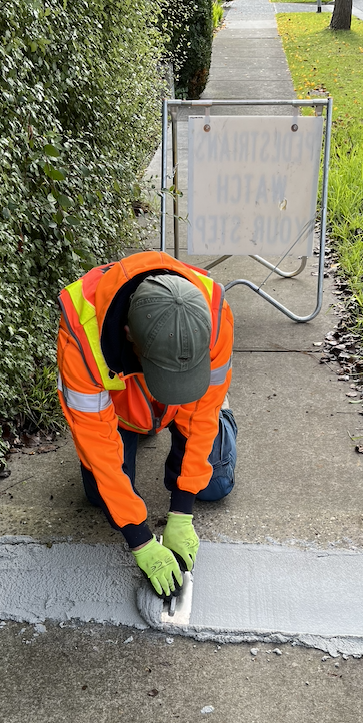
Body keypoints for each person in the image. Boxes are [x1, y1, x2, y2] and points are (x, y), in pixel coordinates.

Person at [57, 250, 237, 597]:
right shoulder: (81, 335)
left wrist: (182, 509)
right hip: (120, 414)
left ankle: (224, 420)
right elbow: (95, 439)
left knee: (213, 486)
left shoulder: (213, 314)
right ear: (127, 336)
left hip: (189, 401)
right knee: (102, 498)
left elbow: (202, 410)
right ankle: (142, 425)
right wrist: (140, 539)